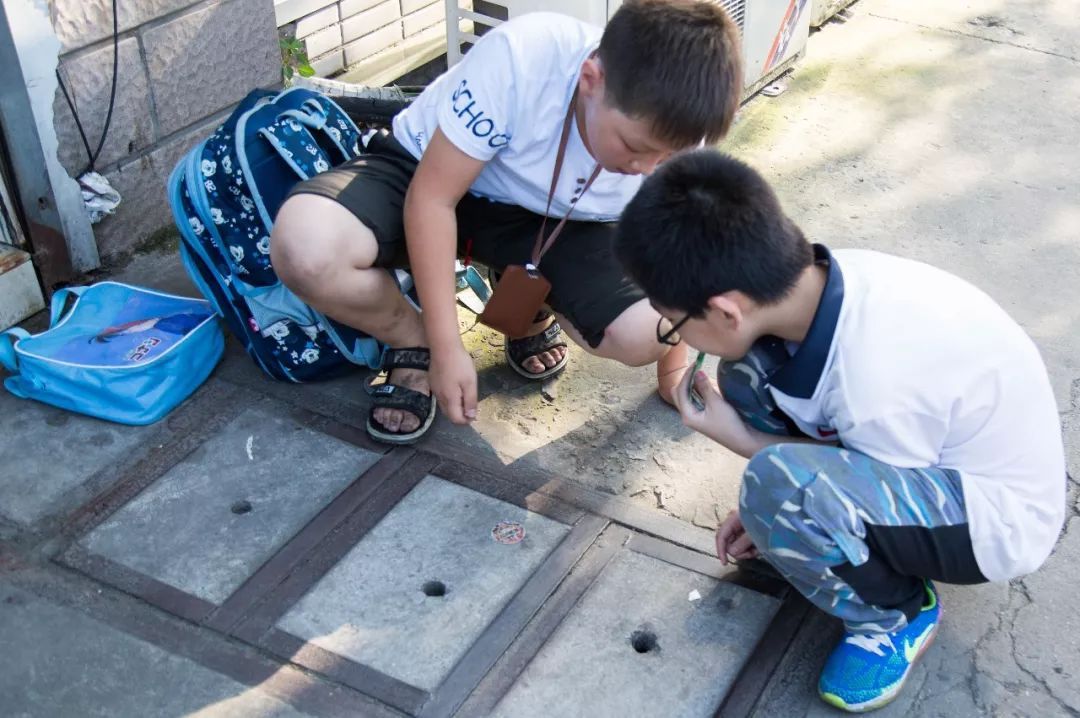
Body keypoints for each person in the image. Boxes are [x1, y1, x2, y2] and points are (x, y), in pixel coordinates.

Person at [614, 149, 1067, 713]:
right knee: (749, 379)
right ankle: (830, 531)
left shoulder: (877, 369)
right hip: (925, 460)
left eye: (675, 323)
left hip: (994, 521)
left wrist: (768, 479)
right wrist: (781, 511)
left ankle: (896, 614)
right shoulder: (821, 280)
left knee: (774, 478)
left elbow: (881, 471)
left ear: (726, 311)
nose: (675, 336)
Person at [269, 0, 743, 444]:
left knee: (647, 331)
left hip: (557, 223)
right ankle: (411, 341)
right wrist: (446, 343)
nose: (647, 169)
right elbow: (432, 199)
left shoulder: (679, 133)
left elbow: (675, 266)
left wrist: (674, 374)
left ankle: (528, 303)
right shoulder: (524, 56)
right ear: (590, 79)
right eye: (636, 147)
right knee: (305, 246)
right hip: (428, 177)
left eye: (668, 156)